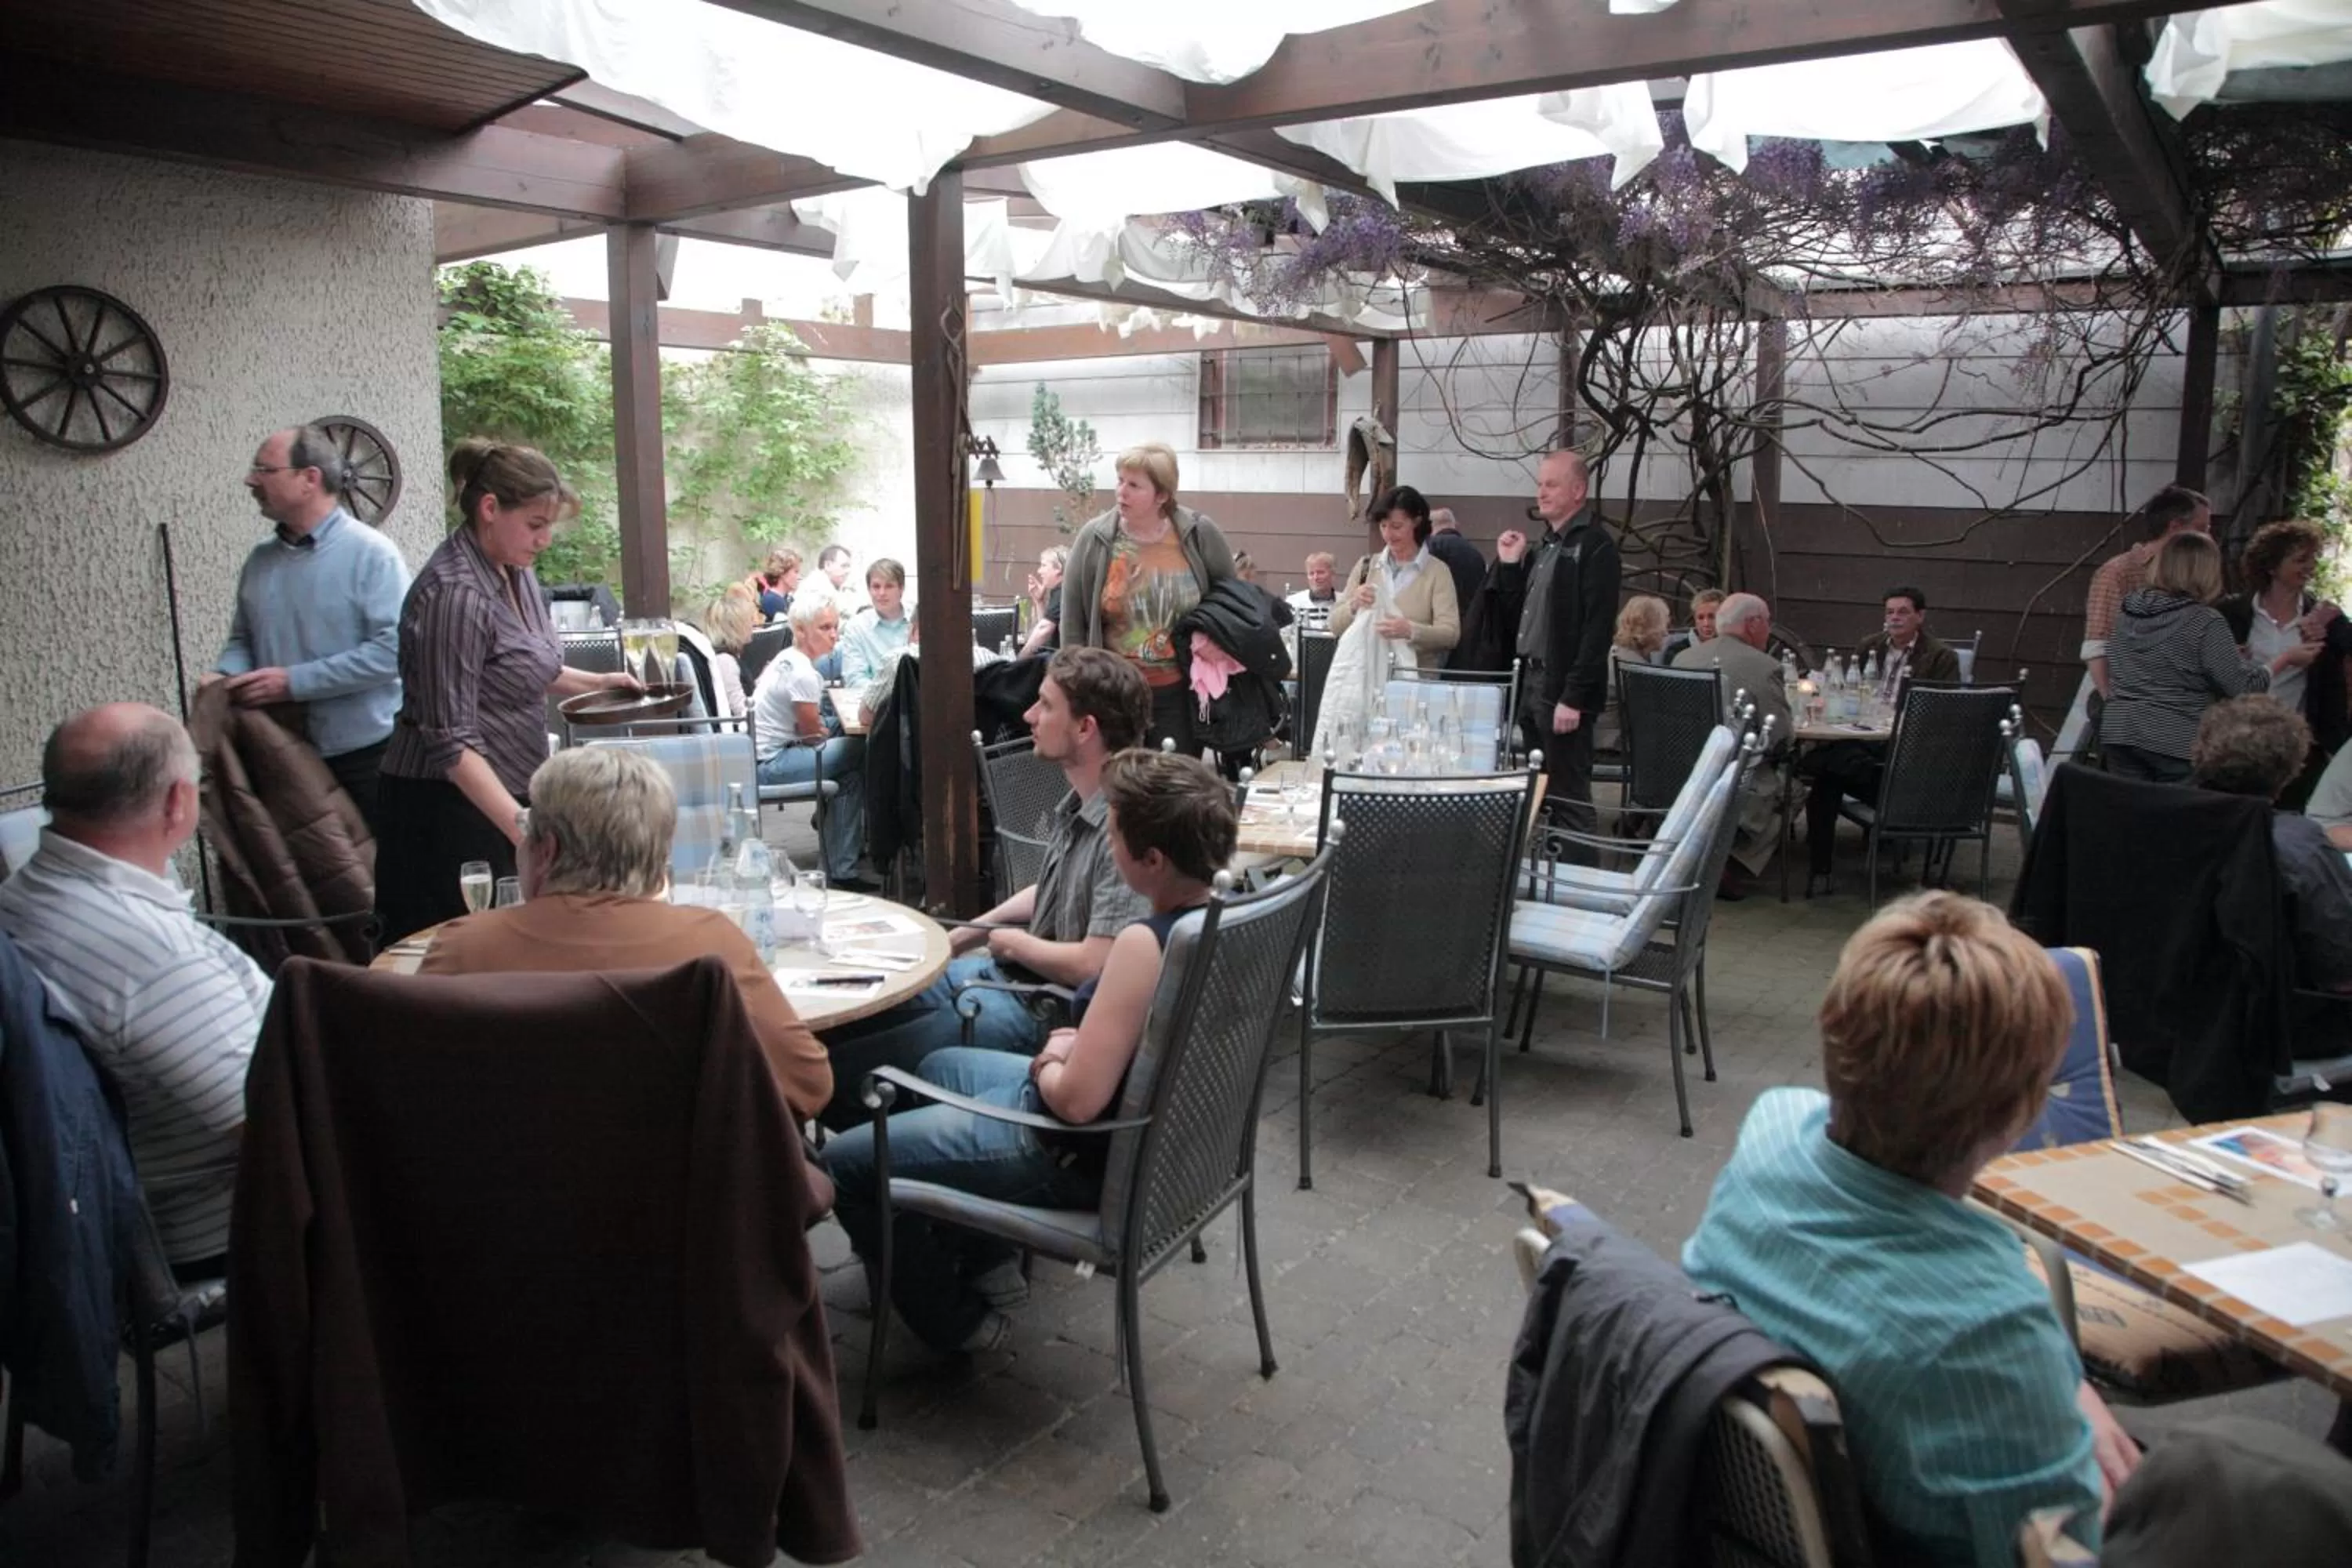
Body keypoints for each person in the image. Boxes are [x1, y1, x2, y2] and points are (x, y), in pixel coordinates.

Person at [1684, 892, 2138, 1565]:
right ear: (2019, 1116)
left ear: (1836, 1035)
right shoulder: (1986, 1339)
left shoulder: (1771, 1131)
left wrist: (2065, 1384)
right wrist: (2060, 1386)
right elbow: (2074, 1548)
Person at [822, 746, 1235, 1356]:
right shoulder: (1220, 921)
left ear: (1150, 861)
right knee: (931, 1068)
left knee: (847, 1167)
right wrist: (1074, 1046)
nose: (1108, 847)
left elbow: (1074, 1101)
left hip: (1065, 1150)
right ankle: (978, 1248)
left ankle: (955, 1323)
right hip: (1136, 1136)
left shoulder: (1145, 946)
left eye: (1115, 836)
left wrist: (1054, 1056)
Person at [817, 647, 1151, 1128]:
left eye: (1045, 705)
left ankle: (888, 1167)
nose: (1028, 715)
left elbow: (1097, 966)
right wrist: (966, 934)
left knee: (836, 1072)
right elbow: (1052, 889)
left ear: (1086, 728)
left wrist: (1014, 943)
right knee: (855, 1016)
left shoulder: (1125, 824)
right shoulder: (1083, 800)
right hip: (1010, 979)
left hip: (1046, 1009)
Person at [416, 746, 833, 1116]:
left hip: (508, 1196)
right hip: (687, 1198)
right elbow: (809, 1085)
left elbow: (410, 1093)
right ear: (660, 853)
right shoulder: (709, 943)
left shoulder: (462, 948)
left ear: (547, 850)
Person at [0, 704, 270, 1269]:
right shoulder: (149, 958)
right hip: (225, 1221)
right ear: (178, 802)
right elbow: (279, 1126)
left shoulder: (28, 894)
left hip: (141, 1200)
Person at [375, 441, 637, 944]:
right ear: (490, 509)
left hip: (501, 795)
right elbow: (450, 743)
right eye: (536, 525)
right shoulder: (454, 595)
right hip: (445, 812)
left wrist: (597, 683)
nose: (544, 541)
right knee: (457, 961)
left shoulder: (514, 570)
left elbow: (521, 667)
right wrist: (525, 830)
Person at [210, 424, 411, 838]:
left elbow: (393, 654)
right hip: (279, 755)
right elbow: (243, 640)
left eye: (265, 470)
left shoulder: (372, 555)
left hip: (365, 760)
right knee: (301, 888)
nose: (251, 480)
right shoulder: (260, 561)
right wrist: (224, 677)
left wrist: (293, 683)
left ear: (310, 479)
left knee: (379, 884)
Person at [1468, 449, 1621, 837]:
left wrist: (1574, 696)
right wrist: (1510, 565)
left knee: (1569, 797)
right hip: (1532, 685)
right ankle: (1553, 879)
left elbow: (1597, 630)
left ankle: (1582, 883)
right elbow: (1518, 613)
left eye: (1551, 484)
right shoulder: (1545, 547)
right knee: (1543, 793)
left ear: (1578, 490)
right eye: (1540, 484)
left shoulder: (1595, 546)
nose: (1542, 492)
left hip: (1562, 689)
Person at [1060, 441, 1239, 754]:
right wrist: (1074, 689)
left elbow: (1233, 600)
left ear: (1162, 496)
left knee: (1173, 789)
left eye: (1134, 485)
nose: (1121, 492)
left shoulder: (1199, 533)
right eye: (1119, 481)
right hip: (1114, 694)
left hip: (1179, 693)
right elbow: (1072, 620)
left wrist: (1217, 639)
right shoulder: (1096, 538)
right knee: (1117, 790)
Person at [2187, 698, 2352, 1011]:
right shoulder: (2298, 845)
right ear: (2292, 769)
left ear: (2199, 751)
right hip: (2280, 1023)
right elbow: (2342, 971)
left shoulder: (2154, 821)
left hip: (2166, 1012)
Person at [2103, 532, 2303, 784]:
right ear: (2206, 571)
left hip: (2121, 731)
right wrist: (2283, 660)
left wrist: (2220, 656)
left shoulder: (2128, 611)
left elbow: (2149, 662)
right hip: (2174, 738)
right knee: (2176, 820)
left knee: (2131, 816)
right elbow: (2242, 687)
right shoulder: (2204, 620)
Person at [2219, 520, 2352, 795]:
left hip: (2300, 744)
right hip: (2238, 740)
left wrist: (2336, 621)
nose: (2310, 568)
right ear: (2271, 566)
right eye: (2300, 560)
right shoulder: (2232, 613)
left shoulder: (2321, 617)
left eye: (2313, 559)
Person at [1673, 593, 1793, 886]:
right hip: (1733, 777)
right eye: (1766, 621)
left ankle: (1693, 853)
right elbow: (1779, 735)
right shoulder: (1763, 667)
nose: (1768, 627)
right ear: (1752, 624)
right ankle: (1732, 863)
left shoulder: (1683, 658)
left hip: (1679, 772)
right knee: (1794, 788)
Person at [752, 593, 869, 890]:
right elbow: (812, 734)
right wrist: (821, 731)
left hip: (762, 752)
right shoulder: (805, 674)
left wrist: (821, 728)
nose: (834, 635)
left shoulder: (786, 659)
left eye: (835, 627)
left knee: (845, 742)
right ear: (801, 630)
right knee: (860, 749)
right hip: (770, 764)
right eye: (824, 628)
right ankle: (843, 866)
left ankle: (838, 850)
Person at [2083, 485, 2212, 700]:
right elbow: (2097, 647)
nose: (2209, 538)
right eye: (2202, 529)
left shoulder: (2192, 575)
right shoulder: (2119, 573)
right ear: (2175, 527)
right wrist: (2114, 703)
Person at [1330, 484, 1461, 670]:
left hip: (1416, 682)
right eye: (1383, 526)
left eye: (1397, 526)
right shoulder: (1366, 567)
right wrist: (1353, 605)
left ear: (1417, 522)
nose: (1388, 534)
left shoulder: (1438, 572)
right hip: (1366, 679)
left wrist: (1411, 631)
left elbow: (1451, 635)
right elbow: (1334, 624)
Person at [1858, 585, 1963, 686]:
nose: (1894, 617)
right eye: (1890, 612)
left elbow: (1946, 702)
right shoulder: (1868, 646)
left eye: (1903, 612)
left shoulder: (1941, 657)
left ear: (1920, 616)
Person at [1425, 506, 1487, 669]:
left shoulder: (1430, 549)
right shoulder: (1475, 553)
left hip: (1437, 630)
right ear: (1455, 525)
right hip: (1469, 628)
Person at [838, 557, 913, 691]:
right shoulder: (857, 627)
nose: (882, 593)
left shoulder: (918, 620)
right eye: (876, 587)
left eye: (889, 586)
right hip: (875, 706)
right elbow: (855, 679)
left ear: (901, 589)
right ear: (869, 590)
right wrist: (890, 698)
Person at [701, 583, 759, 719]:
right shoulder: (725, 661)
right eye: (750, 620)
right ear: (736, 626)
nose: (754, 625)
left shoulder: (727, 656)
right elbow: (742, 711)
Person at [1018, 544, 1069, 657]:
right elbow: (1048, 635)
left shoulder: (1063, 590)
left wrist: (1019, 660)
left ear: (1058, 568)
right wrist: (1039, 601)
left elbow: (1044, 629)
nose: (1039, 571)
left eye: (1044, 565)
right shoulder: (1060, 590)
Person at [1287, 551, 1341, 630]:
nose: (1315, 578)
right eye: (1311, 574)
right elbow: (1284, 637)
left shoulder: (1344, 603)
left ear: (1333, 575)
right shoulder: (1294, 603)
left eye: (1320, 573)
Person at [746, 547, 800, 622]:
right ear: (782, 572)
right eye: (796, 572)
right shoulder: (772, 600)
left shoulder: (784, 597)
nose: (798, 577)